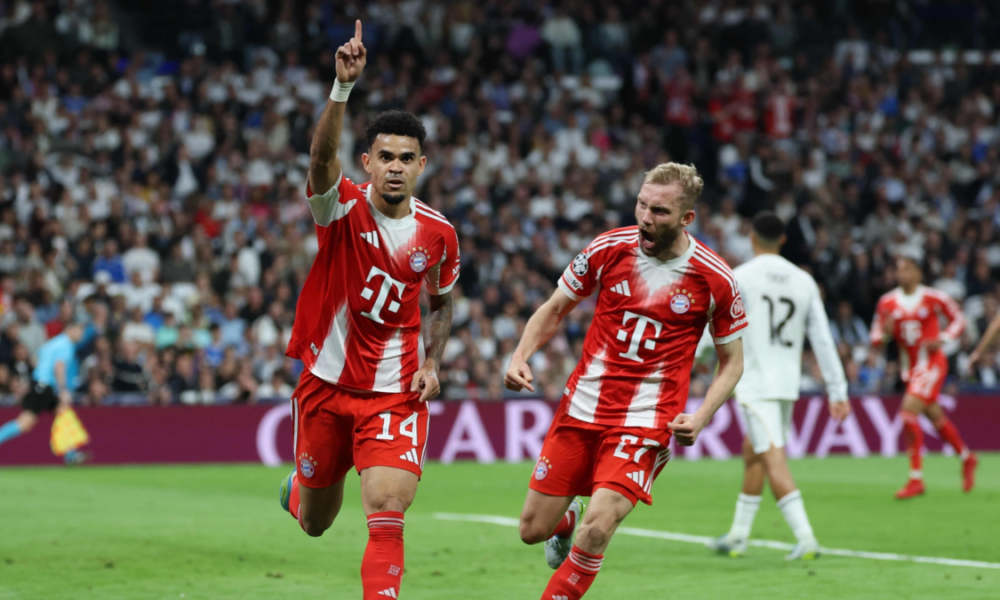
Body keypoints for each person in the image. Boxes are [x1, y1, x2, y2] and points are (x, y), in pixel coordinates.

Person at [276, 21, 459, 600]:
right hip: (327, 385)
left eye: (407, 158)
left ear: (421, 165)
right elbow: (320, 156)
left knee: (387, 507)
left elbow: (443, 301)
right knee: (315, 522)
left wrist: (434, 362)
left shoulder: (439, 234)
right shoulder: (341, 206)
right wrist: (341, 88)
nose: (397, 166)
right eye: (386, 157)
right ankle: (297, 491)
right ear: (368, 161)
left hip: (395, 390)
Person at [504, 163, 746, 600]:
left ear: (686, 218)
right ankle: (564, 521)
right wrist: (520, 355)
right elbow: (556, 308)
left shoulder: (715, 278)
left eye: (659, 211)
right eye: (641, 205)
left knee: (598, 528)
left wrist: (703, 415)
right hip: (581, 408)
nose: (645, 218)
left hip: (645, 420)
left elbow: (732, 362)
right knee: (531, 529)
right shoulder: (608, 248)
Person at [702, 211, 850, 560]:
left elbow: (716, 331)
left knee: (772, 459)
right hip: (787, 384)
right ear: (783, 240)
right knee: (753, 453)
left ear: (752, 238)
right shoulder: (804, 281)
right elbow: (823, 340)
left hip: (755, 384)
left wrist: (687, 359)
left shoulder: (739, 277)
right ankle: (739, 535)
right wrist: (837, 390)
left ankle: (807, 538)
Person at [870, 253, 975, 498]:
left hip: (932, 364)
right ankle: (967, 457)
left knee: (908, 413)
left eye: (906, 269)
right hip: (909, 370)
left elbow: (959, 319)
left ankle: (916, 479)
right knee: (936, 417)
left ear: (918, 273)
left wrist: (944, 339)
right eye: (899, 270)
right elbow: (875, 337)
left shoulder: (934, 297)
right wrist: (884, 335)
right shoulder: (887, 302)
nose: (901, 274)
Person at [0, 323, 89, 464]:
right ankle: (70, 455)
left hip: (40, 384)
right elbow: (59, 366)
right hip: (44, 386)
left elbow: (36, 360)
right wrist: (63, 390)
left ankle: (71, 455)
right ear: (70, 329)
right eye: (79, 330)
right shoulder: (66, 345)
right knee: (25, 423)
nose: (81, 335)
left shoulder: (53, 342)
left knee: (62, 412)